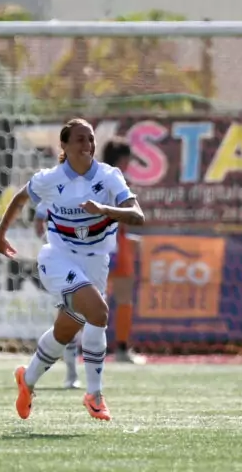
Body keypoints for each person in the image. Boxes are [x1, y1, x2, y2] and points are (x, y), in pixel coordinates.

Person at [0, 118, 144, 421]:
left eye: (90, 139)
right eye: (79, 139)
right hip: (58, 259)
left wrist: (105, 210)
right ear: (63, 144)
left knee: (65, 330)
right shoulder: (49, 178)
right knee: (99, 313)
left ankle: (28, 379)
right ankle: (95, 395)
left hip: (96, 262)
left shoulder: (109, 176)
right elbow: (21, 198)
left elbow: (137, 215)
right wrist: (1, 232)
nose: (87, 145)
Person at [101, 139, 143, 363]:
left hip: (104, 243)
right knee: (121, 296)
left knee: (97, 298)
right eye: (127, 160)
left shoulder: (93, 179)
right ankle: (121, 349)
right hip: (110, 245)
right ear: (122, 160)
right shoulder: (117, 181)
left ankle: (81, 346)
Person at [34, 203, 81, 389]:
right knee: (69, 316)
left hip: (92, 260)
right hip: (64, 262)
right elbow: (39, 221)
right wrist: (50, 244)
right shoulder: (52, 191)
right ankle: (72, 374)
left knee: (93, 318)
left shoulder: (96, 190)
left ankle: (90, 380)